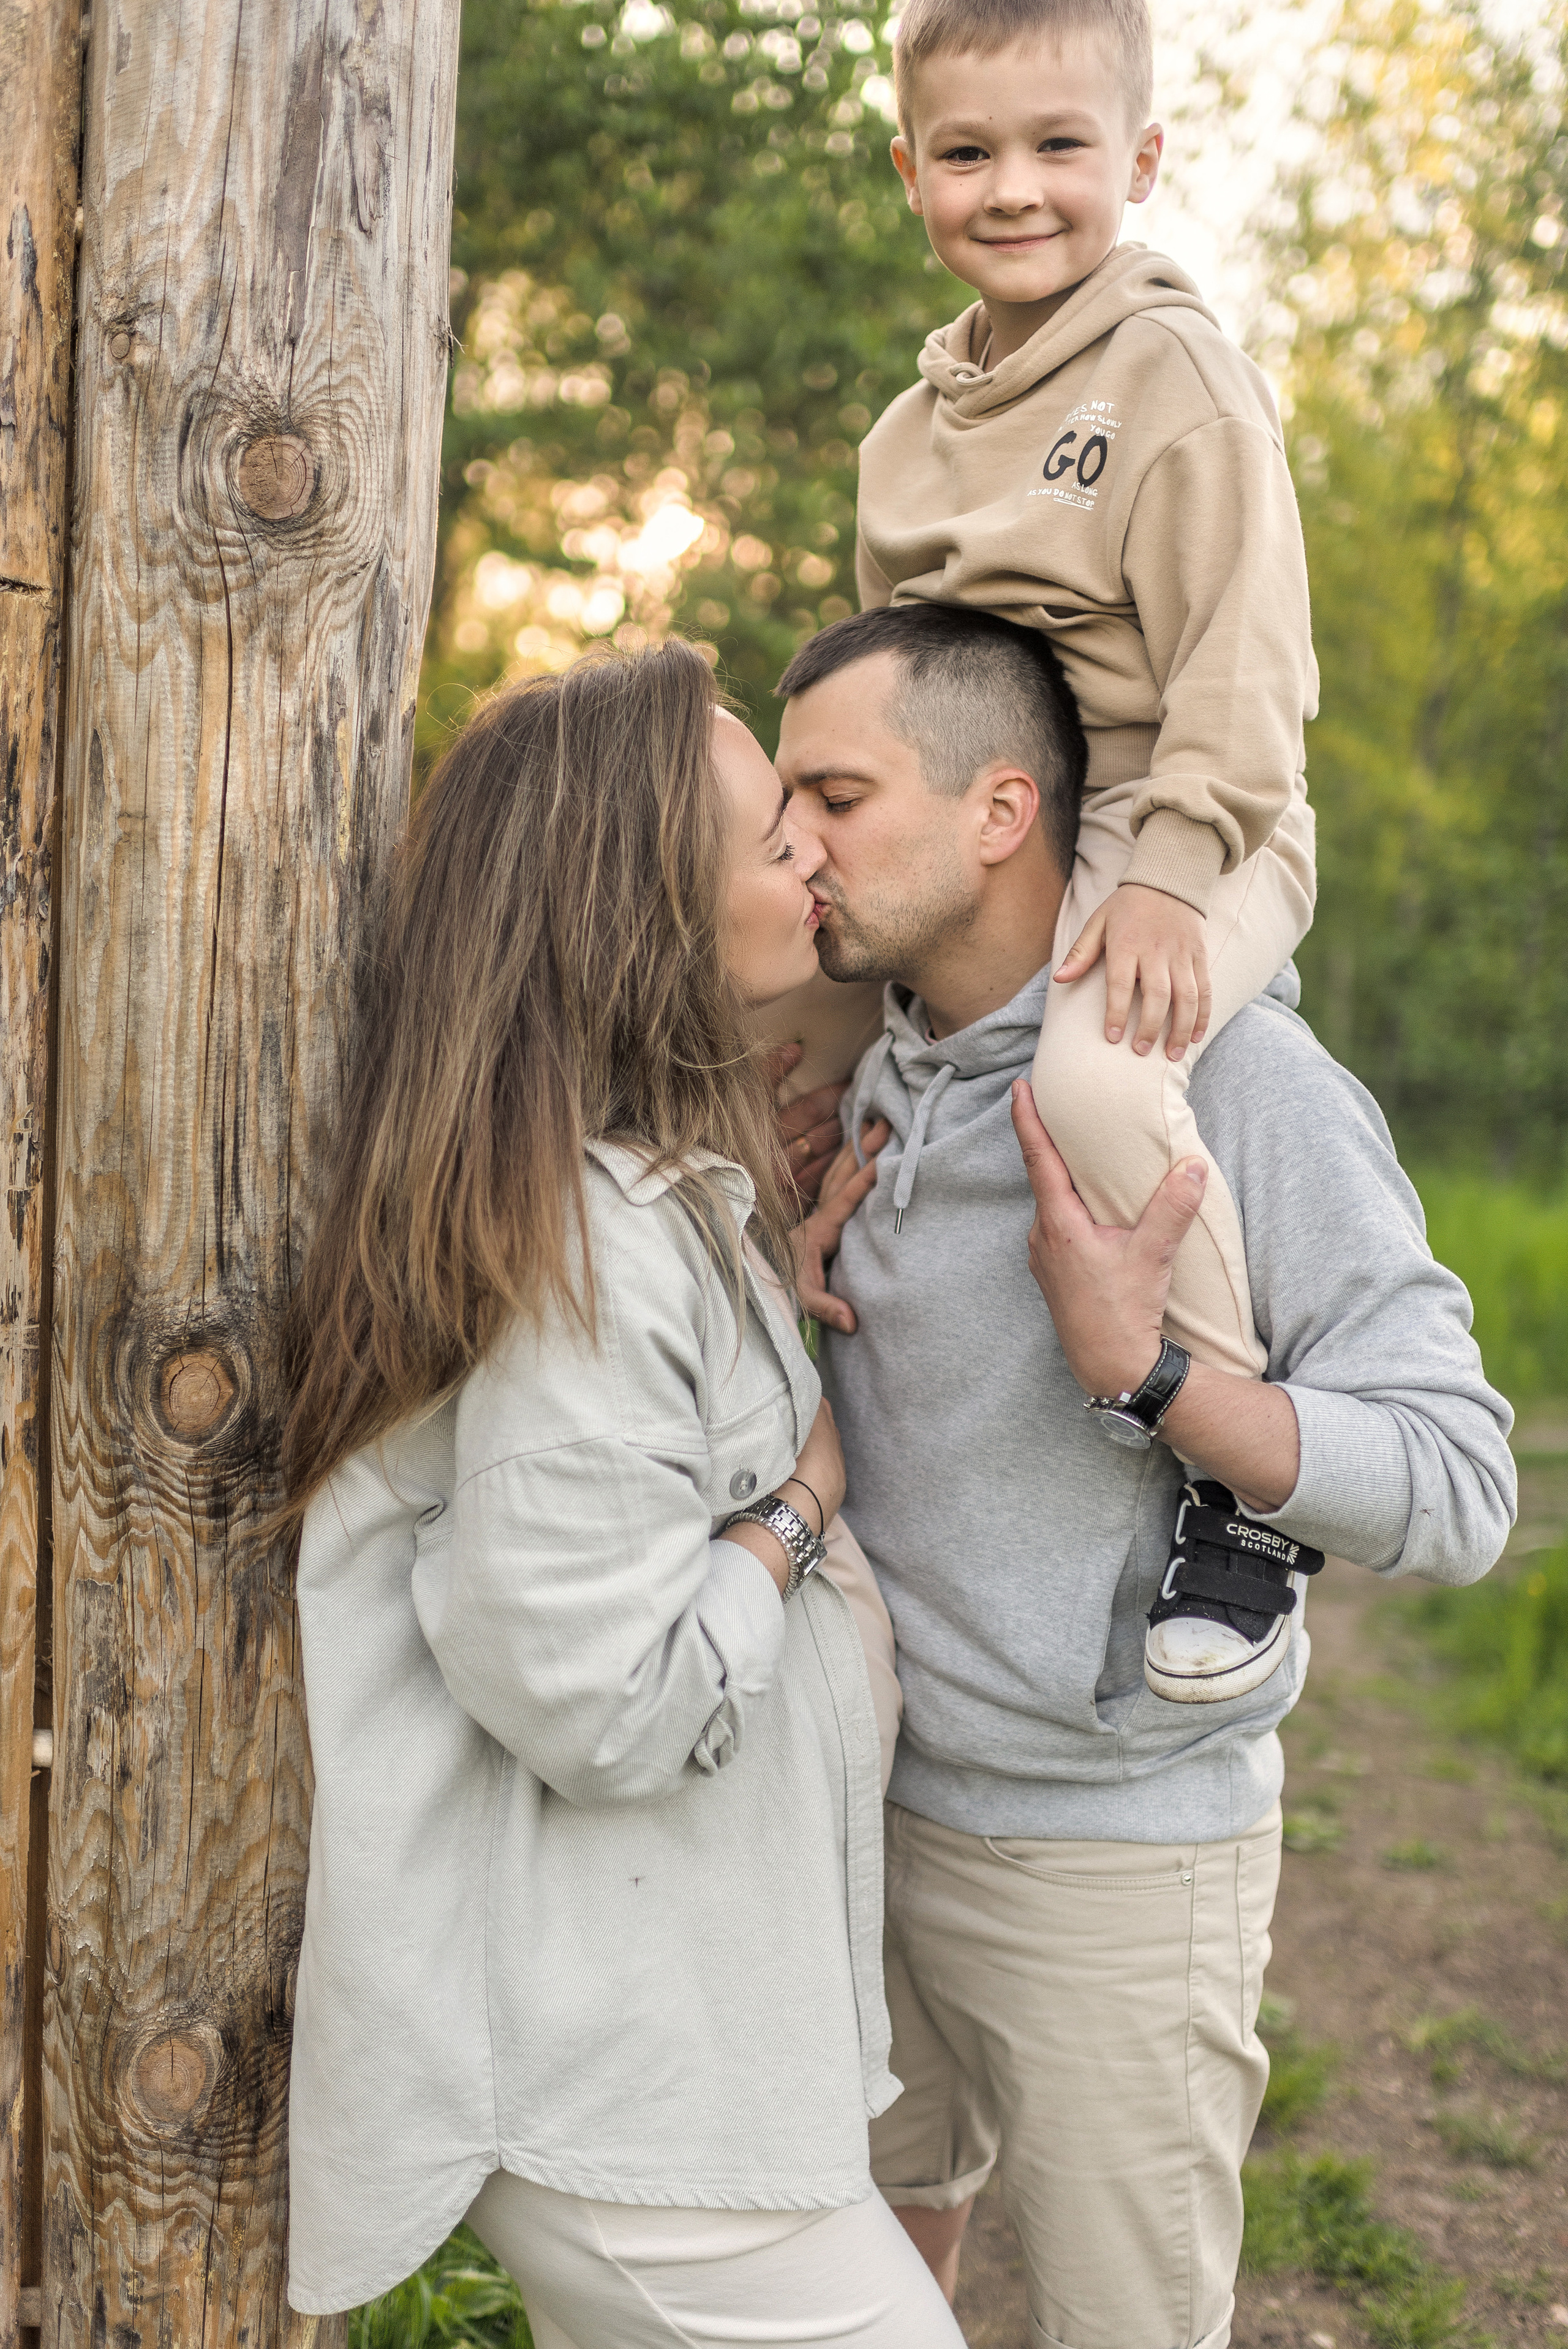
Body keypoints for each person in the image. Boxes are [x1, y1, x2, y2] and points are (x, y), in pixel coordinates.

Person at [776, 601, 1517, 2349]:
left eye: (837, 792)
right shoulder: (870, 1068)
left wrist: (1156, 1371)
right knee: (870, 2288)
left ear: (1002, 813)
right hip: (863, 1824)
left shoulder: (1232, 1077)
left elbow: (1463, 1477)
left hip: (1110, 1864)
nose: (795, 838)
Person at [281, 643, 961, 2349]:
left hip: (685, 2057)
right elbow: (601, 1690)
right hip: (628, 2097)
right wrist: (794, 1511)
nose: (810, 848)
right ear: (646, 908)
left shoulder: (632, 1209)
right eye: (767, 833)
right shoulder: (583, 1245)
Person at [772, 0, 1321, 1704]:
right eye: (968, 152)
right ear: (910, 173)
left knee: (1094, 1080)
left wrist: (1171, 871)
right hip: (1011, 825)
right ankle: (743, 1388)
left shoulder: (1179, 379)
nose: (1015, 188)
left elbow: (1250, 661)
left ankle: (1237, 1501)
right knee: (768, 1040)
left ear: (1140, 161)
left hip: (1196, 822)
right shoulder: (902, 440)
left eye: (1059, 147)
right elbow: (899, 695)